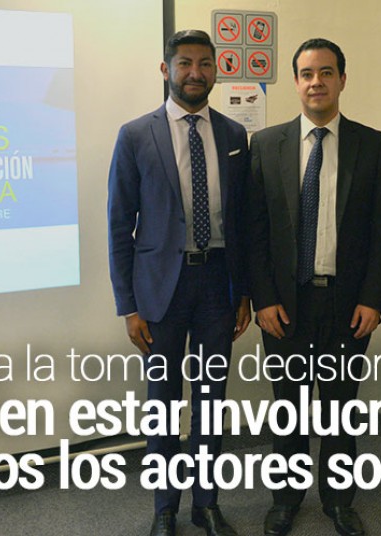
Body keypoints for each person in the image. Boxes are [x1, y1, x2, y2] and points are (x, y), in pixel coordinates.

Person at [246, 38, 381, 536]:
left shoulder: (372, 144)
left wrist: (373, 299)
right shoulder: (266, 144)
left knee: (339, 407)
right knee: (287, 407)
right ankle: (286, 499)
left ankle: (338, 500)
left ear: (342, 80)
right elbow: (255, 231)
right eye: (308, 74)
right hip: (285, 304)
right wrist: (263, 298)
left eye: (327, 73)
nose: (317, 82)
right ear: (295, 82)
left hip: (346, 302)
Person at [107, 29, 250, 536]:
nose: (195, 72)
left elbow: (242, 221)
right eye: (185, 63)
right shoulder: (135, 135)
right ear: (166, 69)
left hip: (217, 285)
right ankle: (164, 508)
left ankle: (206, 504)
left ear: (216, 70)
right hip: (159, 290)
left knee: (211, 402)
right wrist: (128, 305)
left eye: (205, 63)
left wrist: (244, 293)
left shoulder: (234, 135)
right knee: (163, 405)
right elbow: (119, 225)